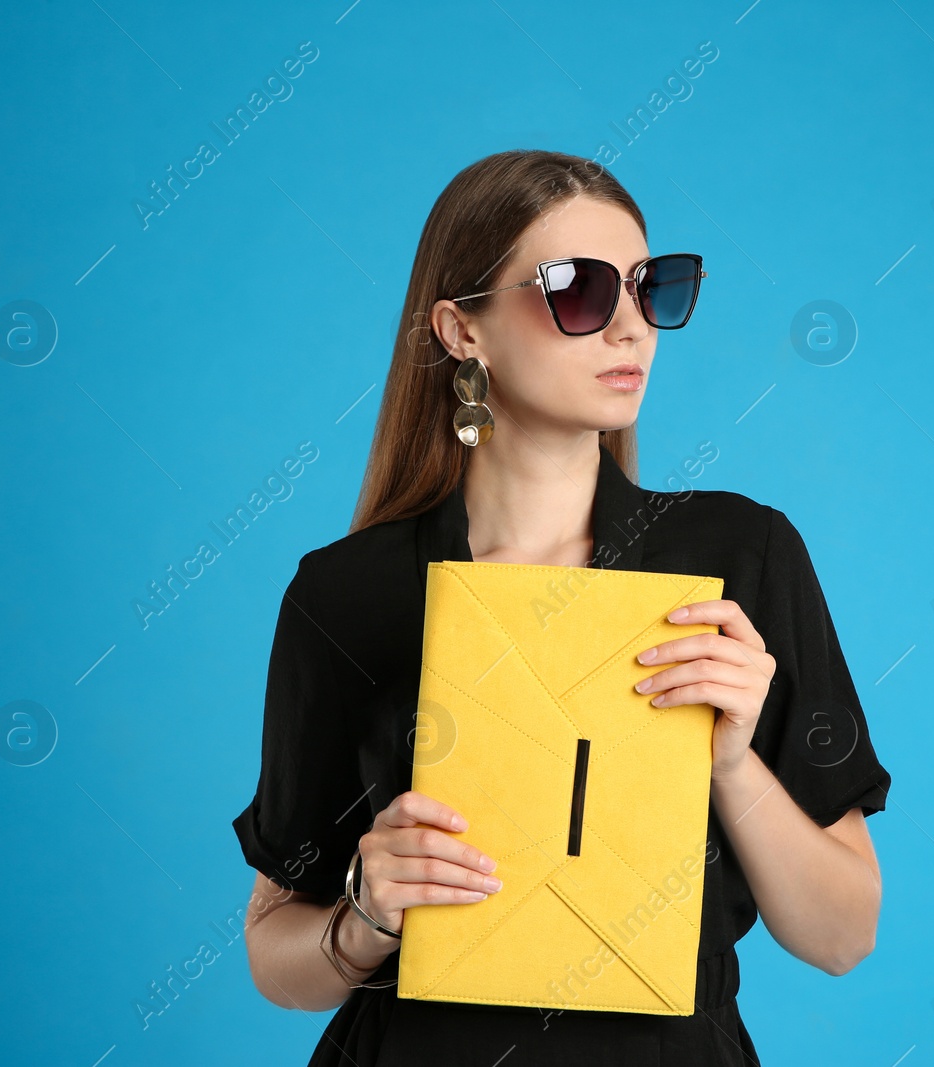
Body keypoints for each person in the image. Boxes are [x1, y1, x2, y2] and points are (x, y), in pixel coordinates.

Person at [231, 148, 892, 1066]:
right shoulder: (347, 592)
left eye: (651, 287)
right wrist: (367, 916)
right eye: (578, 291)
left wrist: (734, 764)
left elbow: (842, 936)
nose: (630, 328)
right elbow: (274, 950)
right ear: (462, 330)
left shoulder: (739, 558)